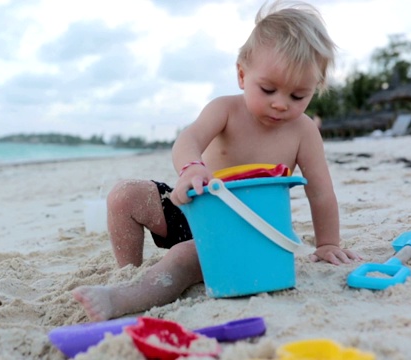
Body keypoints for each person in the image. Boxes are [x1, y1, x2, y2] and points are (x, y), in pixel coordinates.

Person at [73, 0, 360, 322]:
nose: (281, 104)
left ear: (314, 90)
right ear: (242, 74)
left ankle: (126, 297)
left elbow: (320, 192)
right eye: (268, 89)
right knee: (125, 194)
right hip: (193, 208)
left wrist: (327, 243)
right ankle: (127, 273)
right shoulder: (225, 109)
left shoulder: (303, 131)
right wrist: (191, 167)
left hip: (246, 229)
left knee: (184, 256)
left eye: (298, 96)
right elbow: (188, 139)